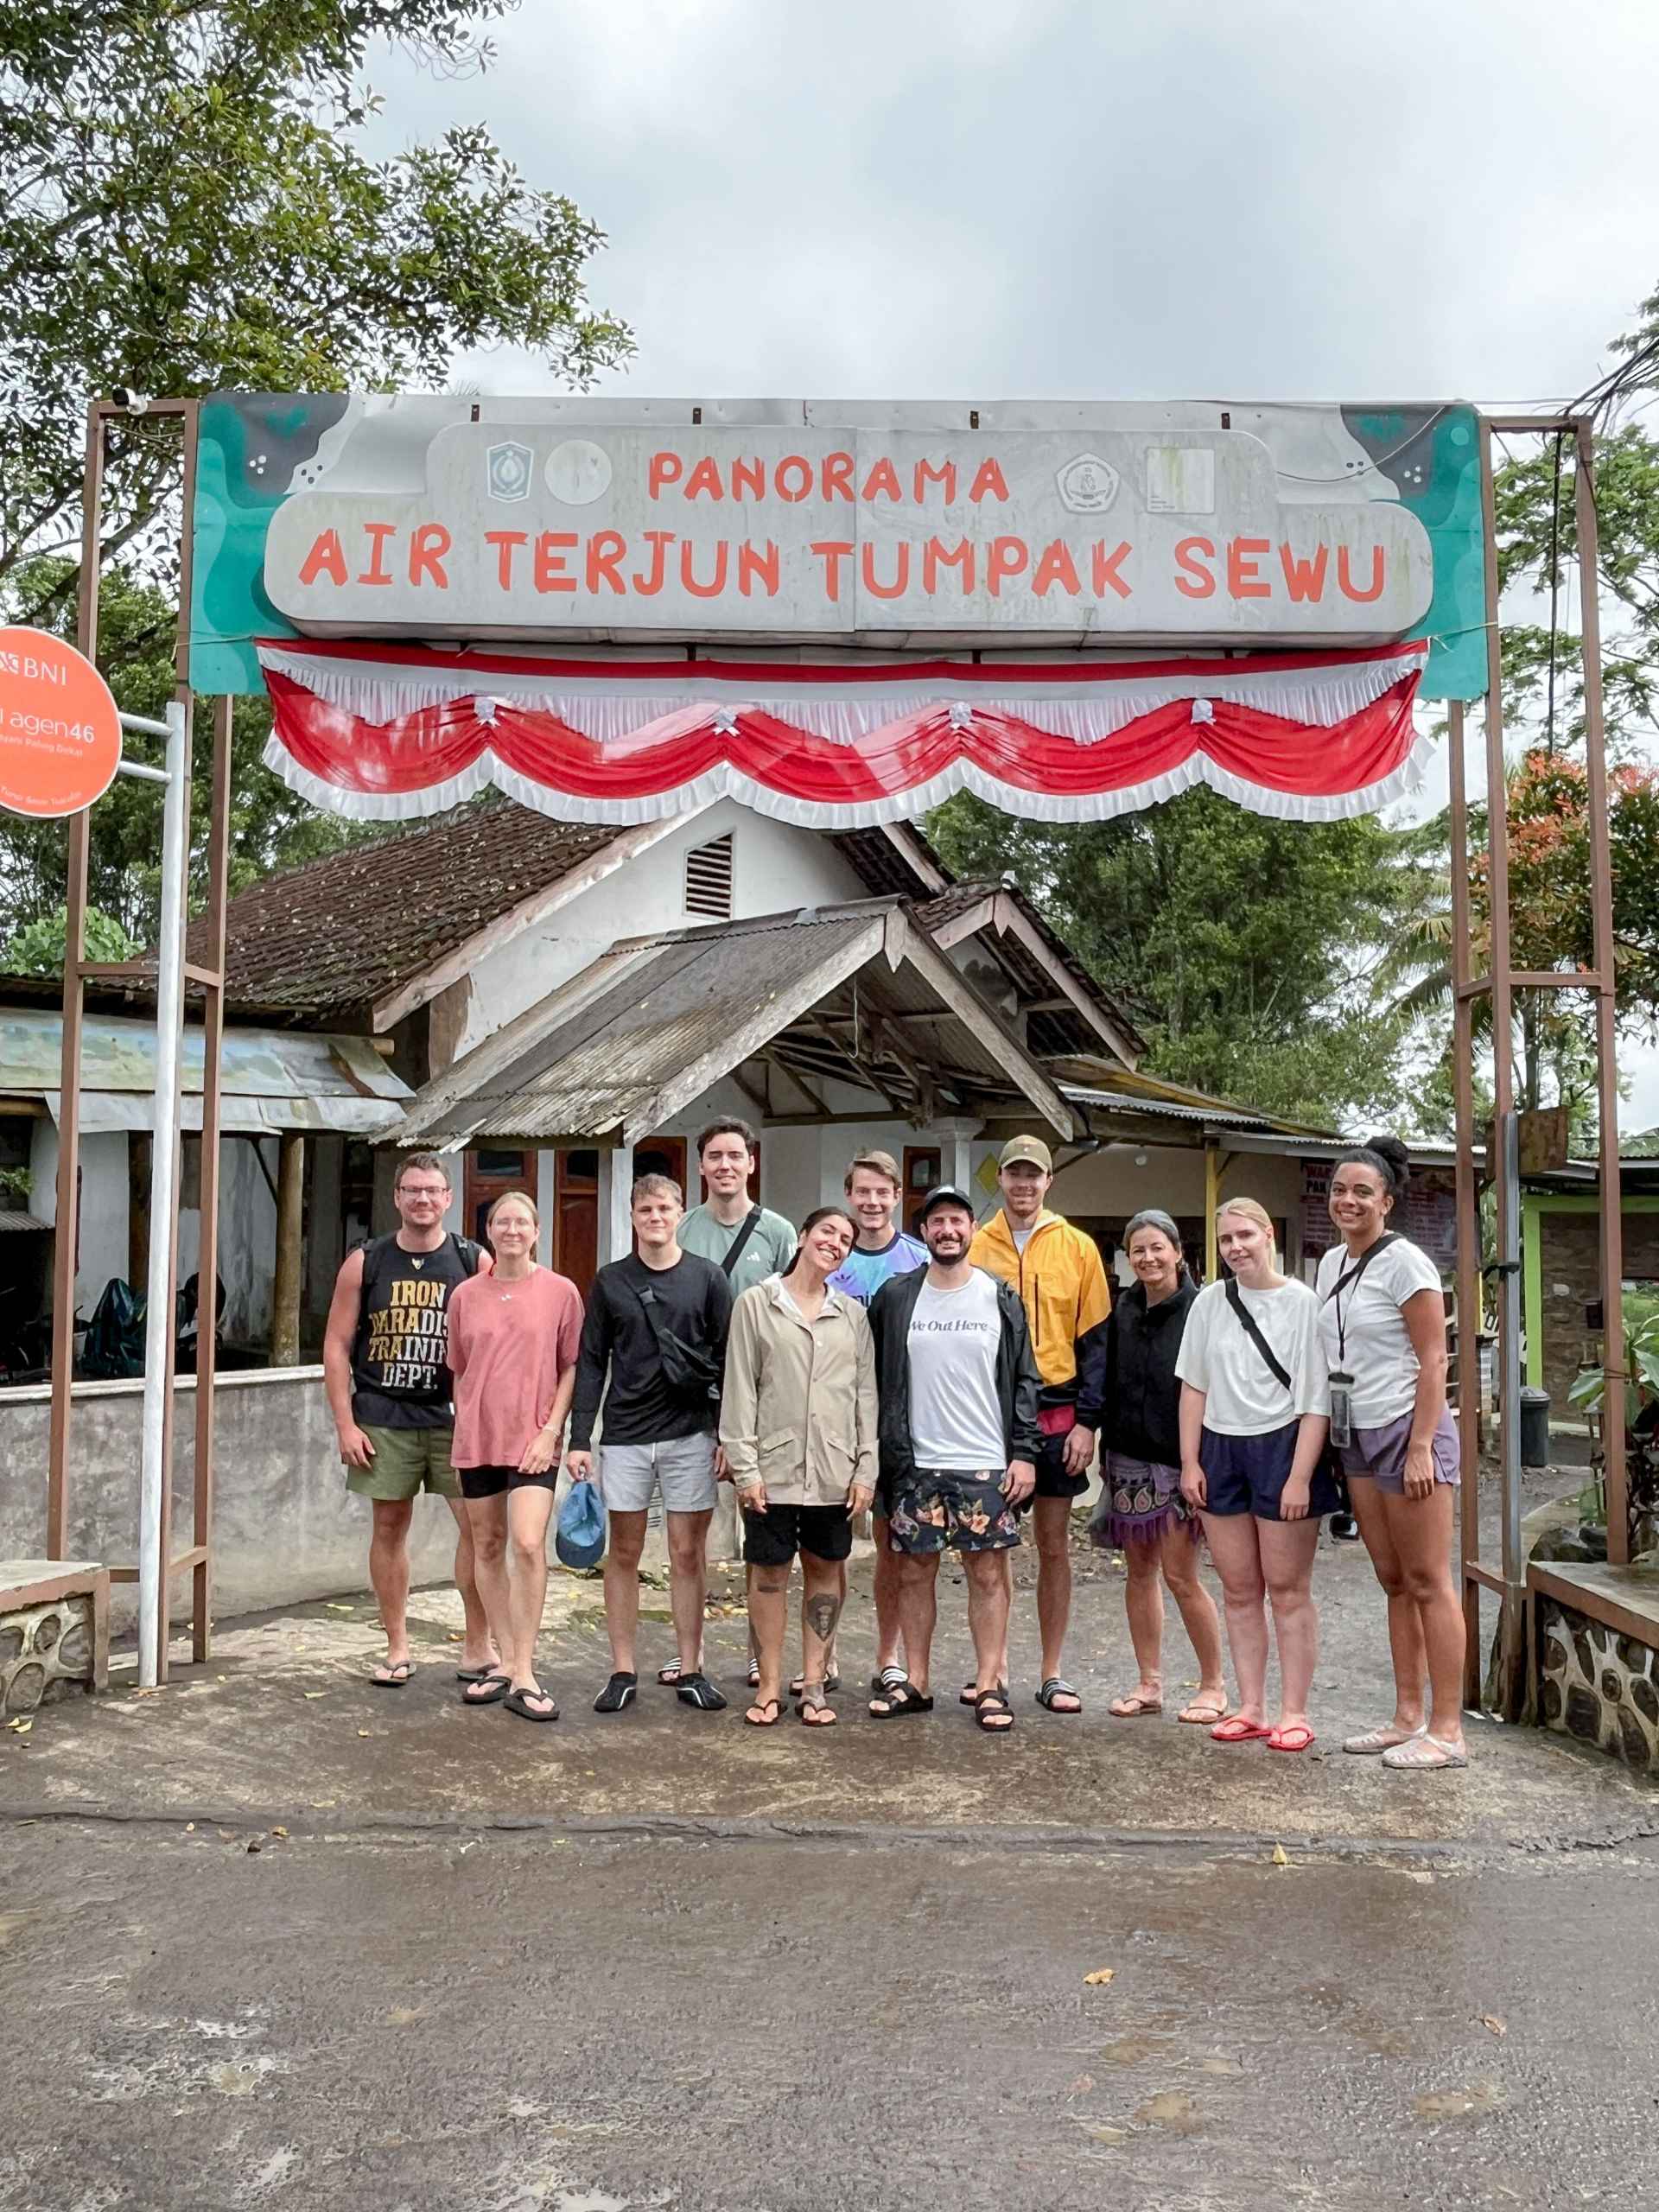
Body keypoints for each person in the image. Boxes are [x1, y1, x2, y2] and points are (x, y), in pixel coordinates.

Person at [866, 1185, 1040, 1732]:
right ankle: (916, 1682)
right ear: (924, 1232)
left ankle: (990, 1683)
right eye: (937, 1221)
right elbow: (874, 1381)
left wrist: (1024, 1454)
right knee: (915, 1573)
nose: (947, 1230)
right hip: (915, 1462)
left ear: (971, 1230)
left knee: (987, 1574)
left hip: (985, 1462)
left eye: (957, 1221)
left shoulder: (1000, 1296)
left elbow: (1025, 1381)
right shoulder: (896, 1297)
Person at [1319, 1135, 1468, 1770]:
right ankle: (1406, 1716)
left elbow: (1435, 1358)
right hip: (1357, 1435)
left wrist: (1420, 1448)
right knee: (1393, 1580)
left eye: (1362, 1191)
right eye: (1339, 1190)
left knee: (1431, 1581)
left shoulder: (1408, 1263)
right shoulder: (1330, 1264)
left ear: (1387, 1200)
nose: (1348, 1201)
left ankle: (1448, 1729)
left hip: (1411, 1431)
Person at [322, 1151, 497, 1689]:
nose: (423, 1199)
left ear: (449, 1199)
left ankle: (478, 1645)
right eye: (412, 1190)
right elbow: (336, 1344)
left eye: (433, 1191)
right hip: (383, 1416)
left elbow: (494, 1346)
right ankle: (397, 1646)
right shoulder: (366, 1261)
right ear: (397, 1198)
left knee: (478, 1529)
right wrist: (345, 1424)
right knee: (389, 1527)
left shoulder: (473, 1261)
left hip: (456, 1421)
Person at [567, 1173, 734, 1714]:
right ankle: (622, 1669)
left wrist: (727, 1435)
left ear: (681, 1212)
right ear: (632, 1216)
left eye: (664, 1208)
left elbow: (729, 1363)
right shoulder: (611, 1281)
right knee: (624, 1553)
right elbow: (591, 1362)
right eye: (645, 1210)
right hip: (625, 1436)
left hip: (690, 1434)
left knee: (688, 1554)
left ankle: (690, 1667)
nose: (655, 1218)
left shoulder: (708, 1279)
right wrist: (580, 1438)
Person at [1176, 1198, 1335, 1754]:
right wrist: (1191, 1461)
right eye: (1226, 1240)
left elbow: (1317, 1400)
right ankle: (1251, 1705)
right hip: (1221, 1446)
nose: (1236, 1247)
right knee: (1240, 1589)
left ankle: (1294, 1710)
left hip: (1283, 1443)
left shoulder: (1302, 1303)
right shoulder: (1209, 1303)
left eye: (1246, 1235)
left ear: (1269, 1235)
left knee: (1288, 1590)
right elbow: (1193, 1386)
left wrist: (1299, 1477)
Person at [969, 1135, 1110, 1715]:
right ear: (999, 1180)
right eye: (1013, 1175)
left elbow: (1097, 1343)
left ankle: (1052, 1670)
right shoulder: (977, 1246)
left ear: (1049, 1181)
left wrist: (1087, 1424)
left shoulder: (1077, 1248)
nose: (1023, 1185)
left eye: (1034, 1175)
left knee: (1054, 1545)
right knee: (988, 1549)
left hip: (1059, 1411)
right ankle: (992, 1668)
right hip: (993, 1417)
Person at [721, 1206, 878, 1729]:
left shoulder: (853, 1316)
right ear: (804, 1235)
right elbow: (741, 1388)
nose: (835, 1243)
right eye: (827, 1232)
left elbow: (865, 1398)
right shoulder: (756, 1304)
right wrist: (745, 1467)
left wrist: (865, 1469)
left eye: (846, 1240)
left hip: (835, 1470)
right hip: (773, 1466)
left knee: (825, 1573)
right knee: (768, 1575)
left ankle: (813, 1684)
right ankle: (768, 1686)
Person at [446, 1192, 584, 1724]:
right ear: (488, 1230)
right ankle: (503, 1660)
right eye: (501, 1221)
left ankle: (525, 1668)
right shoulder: (464, 1295)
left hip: (534, 1439)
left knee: (527, 1544)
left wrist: (551, 1430)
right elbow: (459, 1366)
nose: (511, 1229)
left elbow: (570, 1365)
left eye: (521, 1221)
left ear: (537, 1230)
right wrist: (466, 1418)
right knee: (487, 1544)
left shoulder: (561, 1292)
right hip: (478, 1438)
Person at [1090, 1209, 1228, 1726]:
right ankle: (1149, 1683)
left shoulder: (1201, 1310)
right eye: (1138, 1251)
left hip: (1179, 1464)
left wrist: (1200, 1462)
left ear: (1178, 1253)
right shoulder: (1122, 1308)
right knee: (1139, 1573)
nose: (1148, 1258)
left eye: (1157, 1248)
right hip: (1126, 1458)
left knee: (1181, 1576)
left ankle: (1213, 1685)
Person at [677, 1116, 797, 1692]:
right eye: (715, 1156)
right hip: (692, 1398)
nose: (725, 1165)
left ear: (751, 1163)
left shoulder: (777, 1233)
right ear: (701, 1167)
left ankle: (760, 1652)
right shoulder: (680, 1229)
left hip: (763, 1401)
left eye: (735, 1156)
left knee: (763, 1534)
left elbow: (796, 1308)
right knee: (689, 1535)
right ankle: (689, 1653)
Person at [825, 1149, 929, 1701]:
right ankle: (826, 1653)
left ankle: (888, 1658)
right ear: (850, 1195)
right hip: (833, 1421)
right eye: (861, 1192)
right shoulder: (829, 1256)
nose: (871, 1201)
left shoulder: (917, 1259)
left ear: (895, 1197)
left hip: (896, 1424)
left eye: (881, 1192)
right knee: (828, 1547)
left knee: (892, 1545)